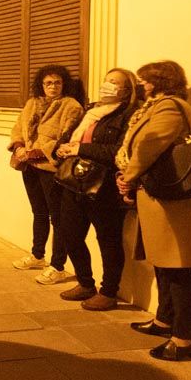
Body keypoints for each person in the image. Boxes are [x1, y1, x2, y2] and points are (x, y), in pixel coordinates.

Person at [116, 61, 191, 361]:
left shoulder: (169, 108)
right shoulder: (156, 107)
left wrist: (129, 176)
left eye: (145, 80)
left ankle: (185, 339)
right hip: (160, 200)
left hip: (173, 204)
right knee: (163, 263)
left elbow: (151, 146)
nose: (141, 85)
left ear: (161, 81)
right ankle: (164, 320)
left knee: (179, 268)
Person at [54, 68, 141, 310]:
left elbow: (119, 152)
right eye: (107, 80)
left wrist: (79, 149)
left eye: (115, 82)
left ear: (127, 90)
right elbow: (71, 137)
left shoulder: (129, 115)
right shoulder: (91, 111)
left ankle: (109, 291)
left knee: (108, 240)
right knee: (69, 233)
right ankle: (85, 282)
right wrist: (62, 148)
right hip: (75, 181)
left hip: (104, 187)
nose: (108, 85)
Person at [9, 65, 84, 284]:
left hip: (50, 167)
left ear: (64, 84)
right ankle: (37, 254)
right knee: (38, 212)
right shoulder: (32, 103)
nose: (52, 87)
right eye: (48, 83)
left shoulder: (71, 106)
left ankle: (57, 264)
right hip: (29, 166)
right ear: (41, 84)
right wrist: (19, 146)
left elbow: (67, 137)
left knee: (57, 217)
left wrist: (38, 152)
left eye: (57, 83)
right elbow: (17, 128)